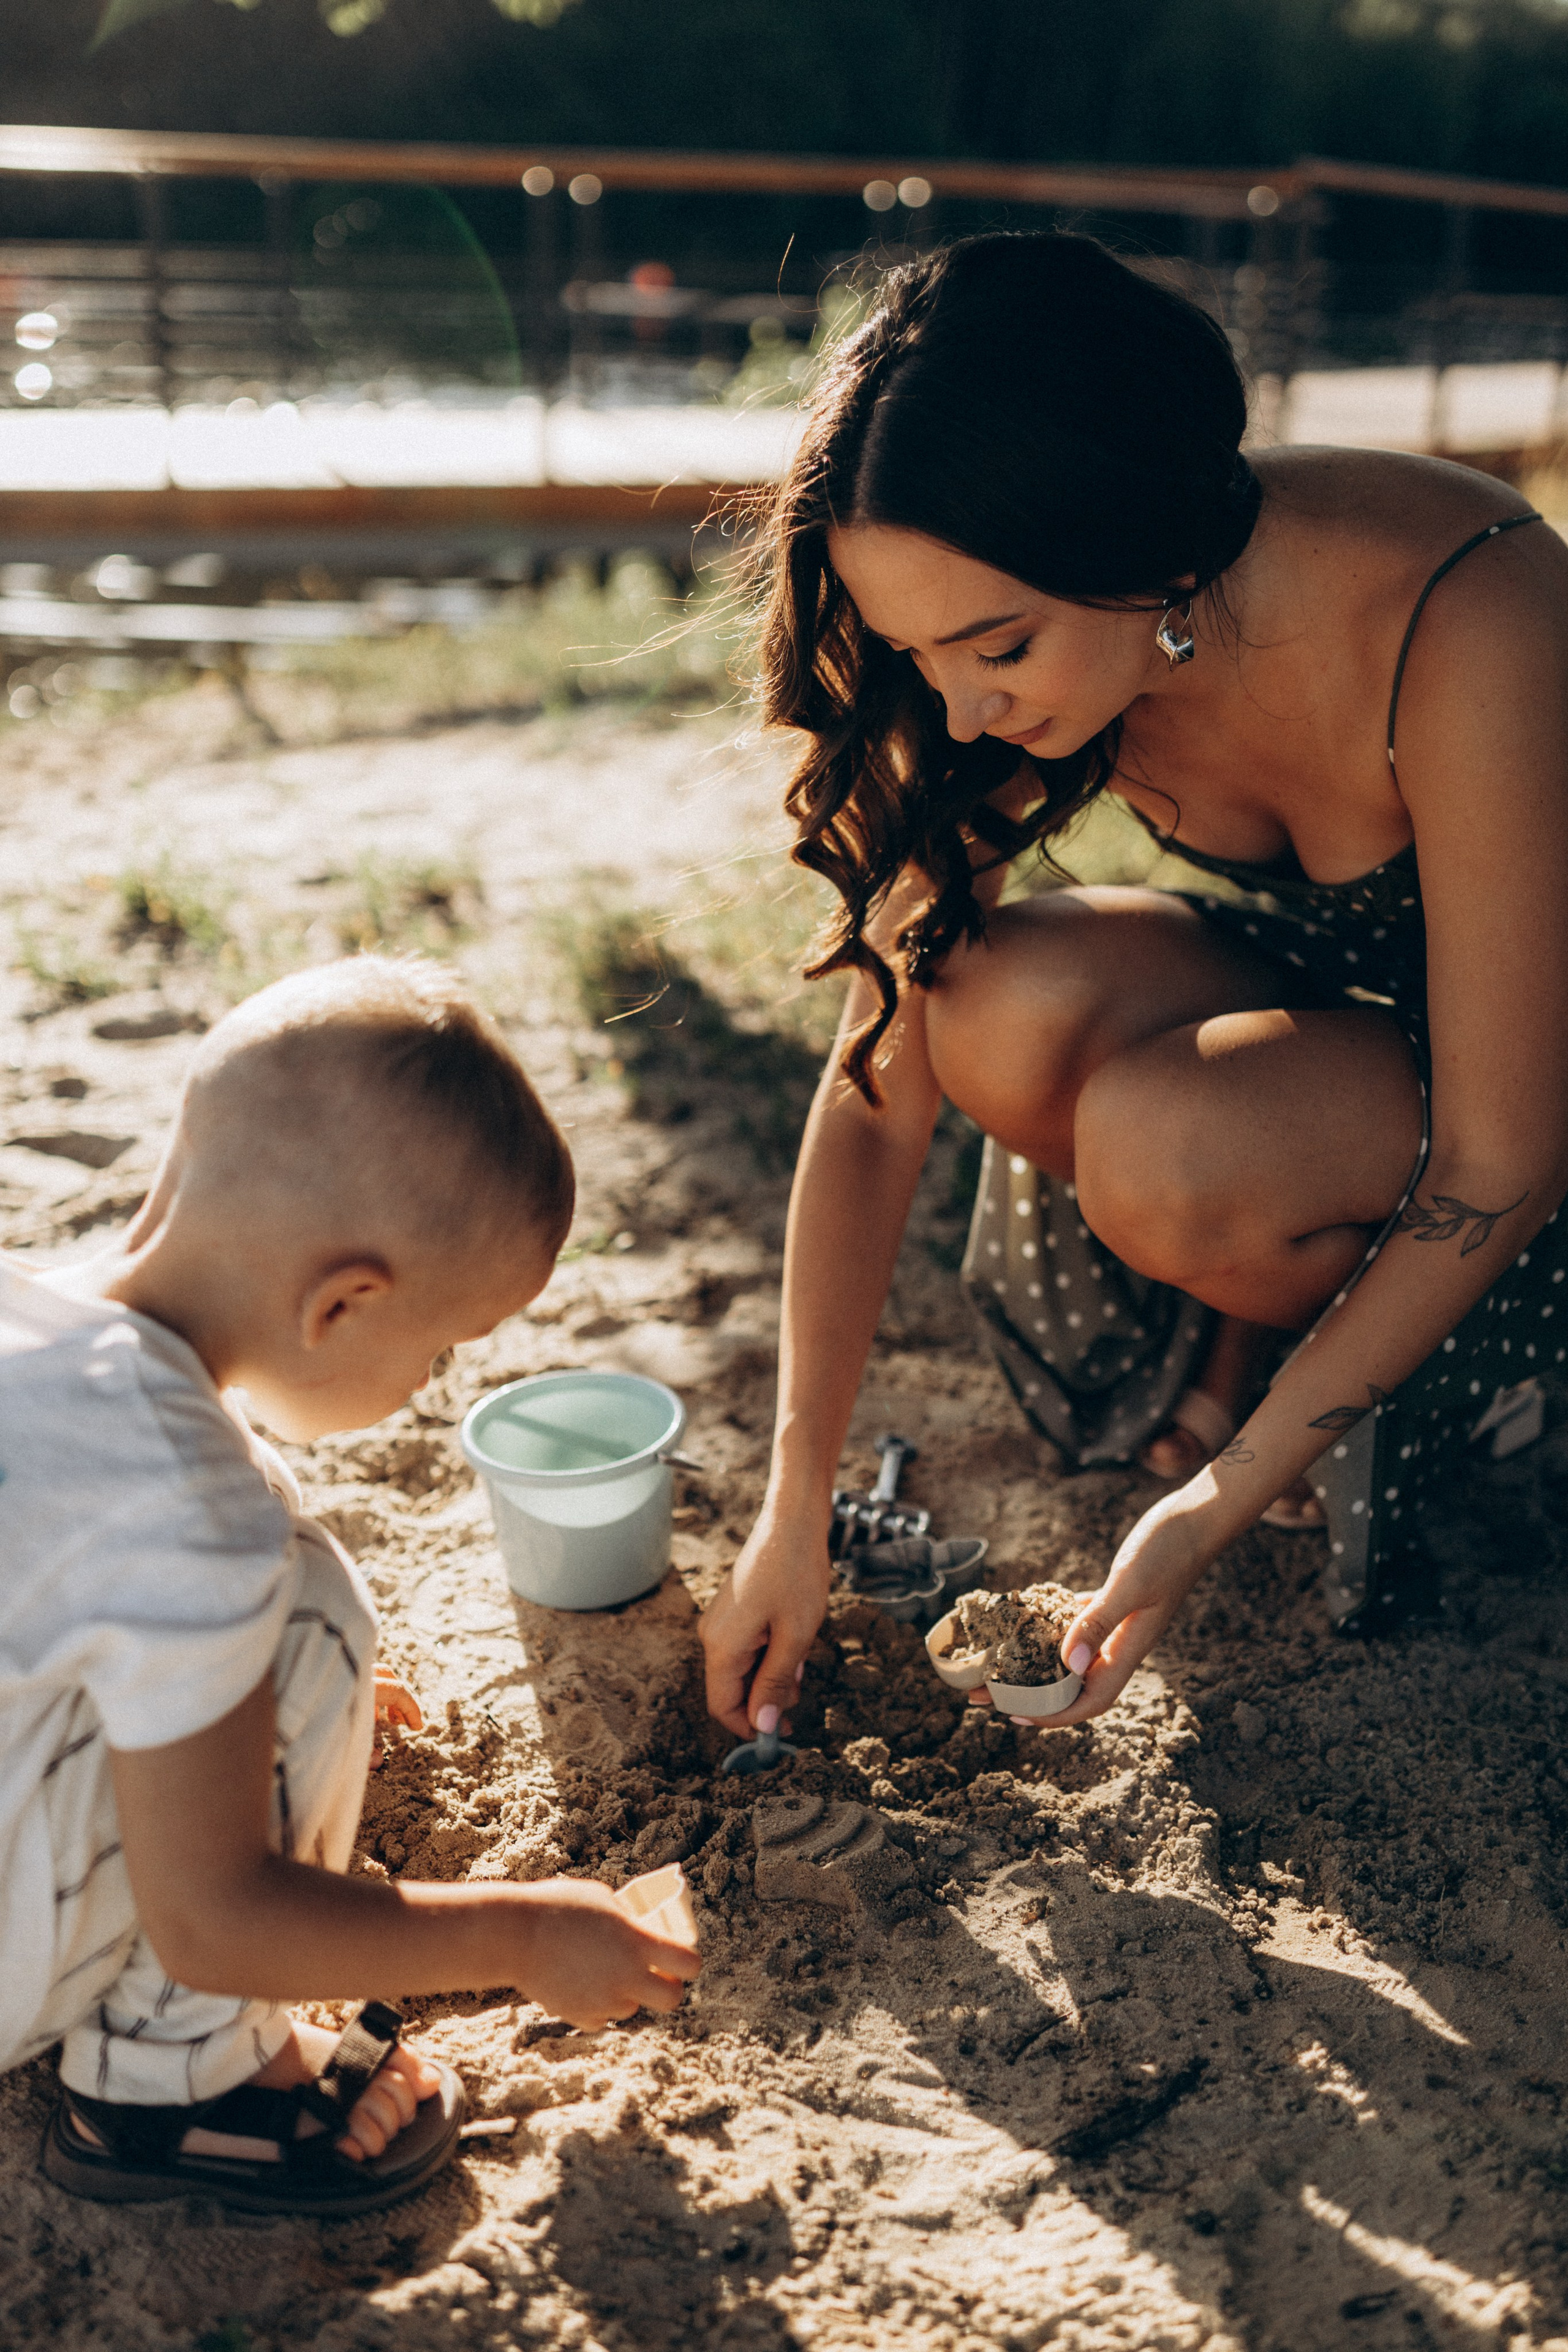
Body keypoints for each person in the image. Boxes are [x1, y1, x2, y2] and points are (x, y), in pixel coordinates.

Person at [700, 230, 1568, 1742]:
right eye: (917, 654)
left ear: (1145, 555)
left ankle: (1421, 1386)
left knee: (1178, 1150)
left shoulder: (1474, 615)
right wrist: (793, 1499)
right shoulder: (1035, 635)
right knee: (972, 991)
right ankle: (1272, 1346)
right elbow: (876, 1086)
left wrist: (1208, 1510)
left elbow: (1505, 1152)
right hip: (1373, 1039)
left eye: (997, 646)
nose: (958, 705)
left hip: (1535, 1116)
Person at [0, 956, 699, 2215]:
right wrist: (522, 1933)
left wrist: (213, 1720)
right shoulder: (183, 1510)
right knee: (307, 1606)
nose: (430, 1382)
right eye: (439, 1349)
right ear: (343, 1302)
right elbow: (217, 1922)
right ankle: (186, 2087)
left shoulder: (31, 1314)